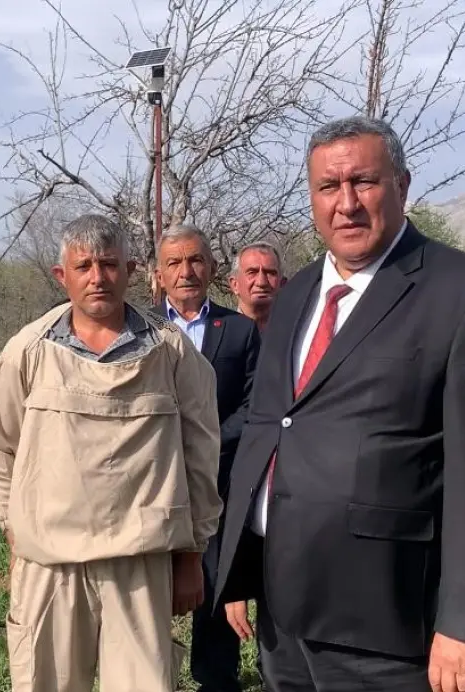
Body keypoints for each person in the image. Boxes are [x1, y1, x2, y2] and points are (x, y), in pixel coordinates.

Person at [213, 116, 465, 692]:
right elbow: (271, 427)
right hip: (281, 608)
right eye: (328, 187)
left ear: (402, 185)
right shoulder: (295, 295)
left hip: (385, 619)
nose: (346, 204)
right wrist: (239, 562)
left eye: (363, 182)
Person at [0, 213, 223, 692]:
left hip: (140, 560)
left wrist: (192, 554)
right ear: (61, 275)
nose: (97, 277)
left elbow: (201, 452)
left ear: (130, 270)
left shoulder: (170, 351)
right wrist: (13, 528)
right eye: (83, 266)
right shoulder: (29, 349)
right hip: (50, 562)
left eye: (109, 264)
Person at [155, 223, 260, 692]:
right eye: (174, 262)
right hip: (152, 482)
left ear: (213, 268)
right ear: (159, 274)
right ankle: (152, 675)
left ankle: (215, 679)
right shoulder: (139, 329)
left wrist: (206, 444)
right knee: (147, 586)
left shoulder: (239, 330)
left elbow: (254, 404)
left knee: (213, 582)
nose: (186, 271)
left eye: (196, 259)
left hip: (216, 481)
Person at [228, 242, 284, 329]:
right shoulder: (222, 333)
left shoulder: (298, 331)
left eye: (270, 273)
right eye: (252, 272)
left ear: (282, 283)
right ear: (235, 285)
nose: (261, 282)